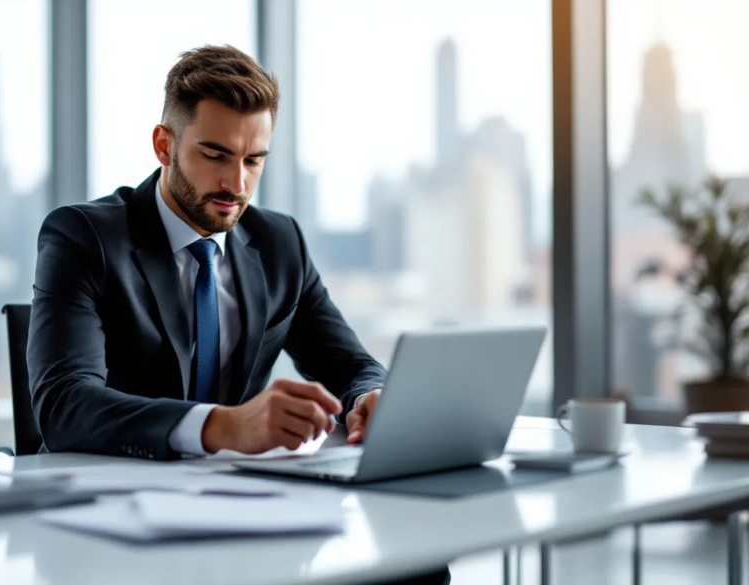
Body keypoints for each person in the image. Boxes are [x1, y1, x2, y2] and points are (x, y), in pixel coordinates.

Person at [28, 44, 448, 584]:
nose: (236, 184)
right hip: (110, 516)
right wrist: (224, 427)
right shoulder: (84, 237)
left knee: (414, 565)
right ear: (165, 145)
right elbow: (64, 405)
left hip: (241, 505)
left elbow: (349, 362)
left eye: (253, 160)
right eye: (215, 155)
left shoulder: (279, 243)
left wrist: (368, 397)